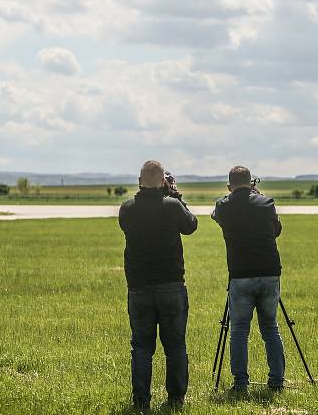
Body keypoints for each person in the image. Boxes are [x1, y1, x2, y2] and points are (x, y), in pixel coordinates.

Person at [119, 160, 198, 411]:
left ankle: (141, 400)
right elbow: (191, 226)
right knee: (175, 345)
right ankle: (176, 398)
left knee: (141, 346)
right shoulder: (172, 206)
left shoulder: (127, 208)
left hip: (139, 286)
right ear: (163, 180)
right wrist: (175, 195)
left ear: (140, 181)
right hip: (171, 284)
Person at [211, 165, 285, 393]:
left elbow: (217, 215)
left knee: (239, 331)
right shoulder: (266, 203)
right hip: (269, 272)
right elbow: (277, 230)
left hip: (240, 274)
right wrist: (257, 195)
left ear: (229, 185)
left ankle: (240, 383)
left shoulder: (223, 206)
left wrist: (236, 194)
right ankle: (276, 381)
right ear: (251, 182)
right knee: (270, 328)